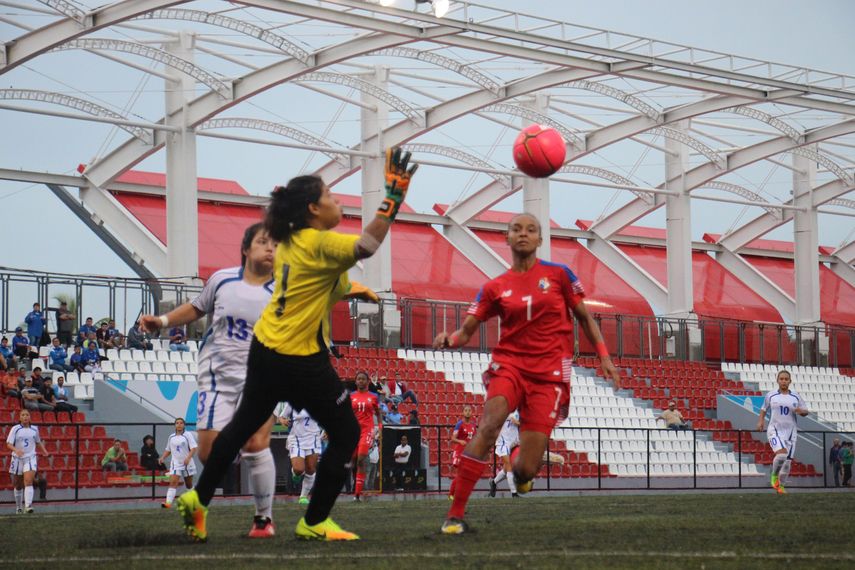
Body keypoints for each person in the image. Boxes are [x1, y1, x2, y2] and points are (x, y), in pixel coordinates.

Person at [173, 148, 416, 543]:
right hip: (300, 359)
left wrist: (353, 290)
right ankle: (315, 520)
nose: (338, 202)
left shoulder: (287, 242)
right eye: (331, 197)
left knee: (239, 429)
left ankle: (197, 502)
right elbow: (367, 246)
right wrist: (392, 198)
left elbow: (324, 284)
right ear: (313, 210)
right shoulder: (320, 242)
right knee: (346, 433)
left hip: (265, 349)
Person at [433, 212, 620, 534]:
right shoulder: (495, 287)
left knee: (525, 469)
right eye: (516, 229)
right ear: (506, 238)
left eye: (530, 230)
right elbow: (466, 331)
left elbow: (586, 318)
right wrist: (450, 339)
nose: (523, 234)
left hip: (549, 374)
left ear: (539, 239)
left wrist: (604, 357)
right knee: (489, 425)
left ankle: (522, 478)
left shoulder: (560, 275)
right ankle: (455, 515)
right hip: (510, 366)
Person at [140, 223, 279, 538]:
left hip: (261, 378)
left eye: (275, 244)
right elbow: (196, 308)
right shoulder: (222, 279)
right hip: (217, 376)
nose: (271, 249)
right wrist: (161, 321)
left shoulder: (283, 291)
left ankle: (263, 520)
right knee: (208, 452)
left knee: (256, 443)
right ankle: (198, 508)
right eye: (263, 242)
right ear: (246, 250)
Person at [756, 370, 809, 495]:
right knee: (781, 455)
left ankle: (781, 487)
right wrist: (760, 421)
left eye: (786, 379)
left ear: (790, 381)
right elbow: (763, 409)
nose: (784, 381)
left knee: (787, 463)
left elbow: (806, 411)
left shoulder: (796, 396)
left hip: (791, 432)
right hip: (774, 430)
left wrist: (800, 411)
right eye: (781, 379)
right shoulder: (771, 395)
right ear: (777, 380)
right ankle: (774, 475)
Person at [6, 410, 50, 513]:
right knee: (18, 484)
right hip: (17, 459)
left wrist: (45, 451)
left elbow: (38, 442)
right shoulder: (15, 429)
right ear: (20, 417)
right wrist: (16, 450)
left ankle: (28, 506)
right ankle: (18, 507)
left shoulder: (34, 429)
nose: (25, 417)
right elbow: (8, 444)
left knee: (28, 481)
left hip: (30, 457)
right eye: (23, 415)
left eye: (27, 415)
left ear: (30, 417)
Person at [279, 403, 322, 505]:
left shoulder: (319, 398)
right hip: (296, 438)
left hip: (313, 438)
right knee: (299, 469)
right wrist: (283, 421)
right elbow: (281, 417)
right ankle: (296, 473)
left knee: (311, 469)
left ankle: (303, 496)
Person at [351, 371, 383, 502]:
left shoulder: (374, 396)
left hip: (367, 430)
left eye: (363, 379)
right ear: (355, 381)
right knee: (354, 461)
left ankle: (357, 493)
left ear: (368, 381)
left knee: (361, 458)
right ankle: (357, 487)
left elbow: (378, 413)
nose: (361, 381)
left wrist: (380, 428)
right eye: (358, 379)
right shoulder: (351, 396)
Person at [161, 418, 197, 508]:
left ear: (184, 425)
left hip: (187, 463)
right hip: (175, 463)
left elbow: (194, 448)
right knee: (173, 482)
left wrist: (188, 458)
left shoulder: (187, 435)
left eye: (181, 423)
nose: (179, 424)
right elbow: (168, 449)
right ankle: (168, 503)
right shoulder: (171, 437)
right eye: (177, 423)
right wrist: (162, 457)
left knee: (188, 485)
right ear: (175, 425)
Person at [447, 405, 477, 500]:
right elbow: (452, 438)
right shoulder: (459, 424)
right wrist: (460, 441)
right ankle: (452, 494)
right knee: (460, 475)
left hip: (468, 454)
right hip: (460, 452)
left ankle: (456, 495)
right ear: (463, 413)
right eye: (466, 410)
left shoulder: (473, 425)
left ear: (472, 413)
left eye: (469, 410)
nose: (468, 412)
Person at [490, 410, 520, 497]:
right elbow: (515, 421)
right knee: (509, 466)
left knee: (506, 468)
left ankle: (494, 482)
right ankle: (514, 493)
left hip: (513, 442)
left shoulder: (517, 410)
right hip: (503, 442)